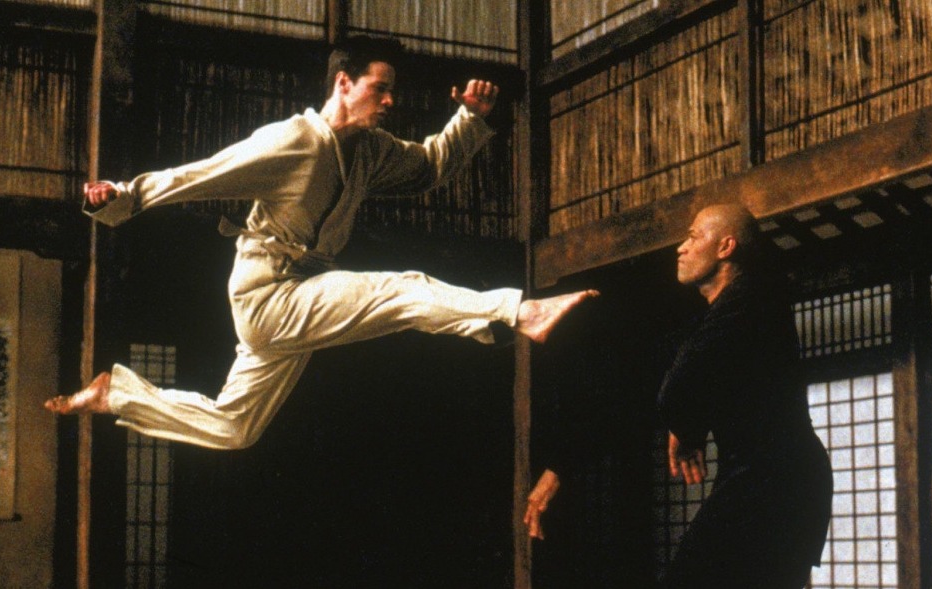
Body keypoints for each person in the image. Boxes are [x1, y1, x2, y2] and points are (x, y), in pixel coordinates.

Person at [45, 36, 597, 449]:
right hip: (267, 295)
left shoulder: (373, 150)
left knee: (235, 428)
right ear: (343, 84)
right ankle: (519, 312)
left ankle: (116, 394)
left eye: (392, 92)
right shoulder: (293, 142)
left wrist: (469, 119)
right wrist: (122, 196)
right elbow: (203, 174)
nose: (389, 101)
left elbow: (429, 167)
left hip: (299, 293)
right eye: (380, 88)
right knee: (399, 290)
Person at [658, 203, 832, 588]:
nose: (681, 247)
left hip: (772, 478)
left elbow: (676, 391)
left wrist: (685, 428)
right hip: (781, 475)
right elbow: (697, 386)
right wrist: (687, 426)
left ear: (726, 247)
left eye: (693, 237)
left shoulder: (748, 300)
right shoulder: (739, 306)